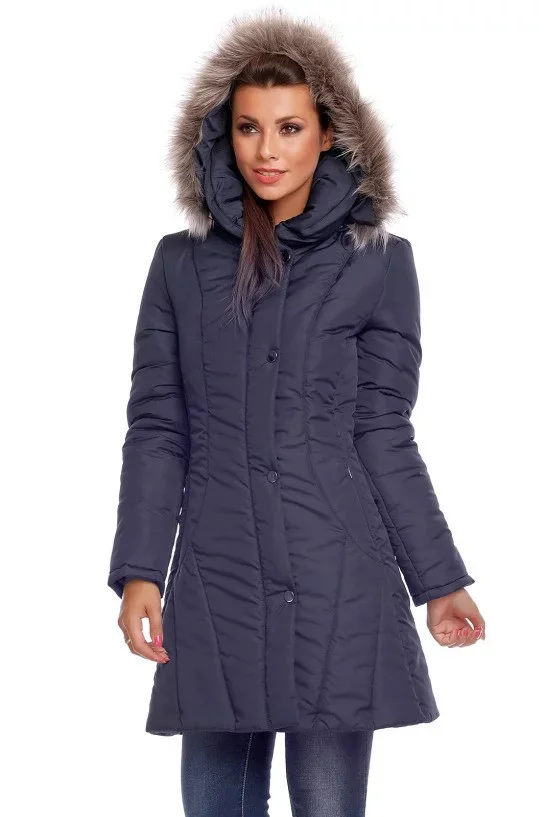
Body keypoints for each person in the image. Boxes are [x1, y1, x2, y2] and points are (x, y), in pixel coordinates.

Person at [107, 9, 485, 816]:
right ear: (224, 135)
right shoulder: (179, 265)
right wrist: (140, 569)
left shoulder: (377, 263)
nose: (266, 150)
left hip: (336, 573)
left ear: (328, 134)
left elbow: (382, 431)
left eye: (288, 127)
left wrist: (439, 580)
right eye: (248, 127)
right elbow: (159, 428)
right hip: (214, 576)